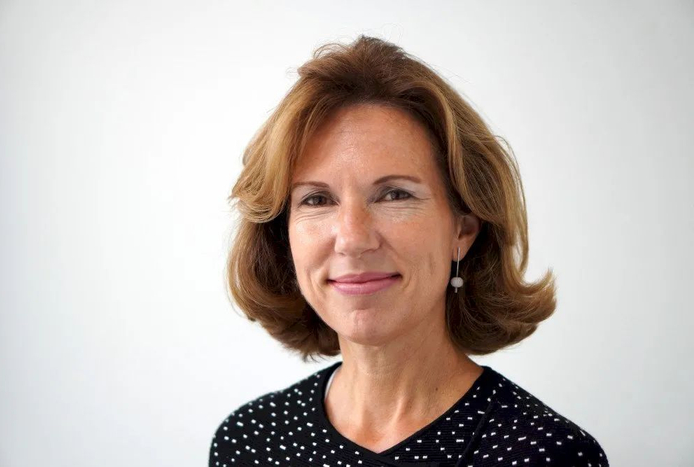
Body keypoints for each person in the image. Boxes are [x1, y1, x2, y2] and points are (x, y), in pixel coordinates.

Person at [208, 35, 609, 467]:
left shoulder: (547, 455)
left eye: (394, 194)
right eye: (317, 199)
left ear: (463, 228)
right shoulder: (249, 442)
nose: (352, 238)